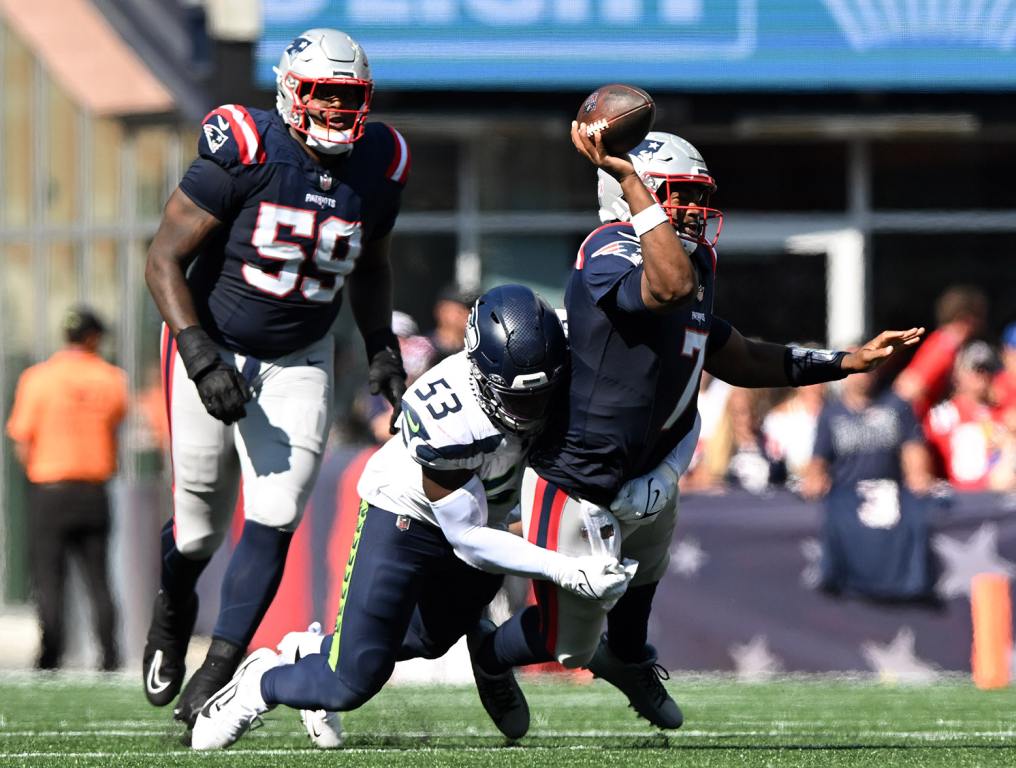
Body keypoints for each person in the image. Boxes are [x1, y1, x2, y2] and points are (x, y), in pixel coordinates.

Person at [467, 126, 925, 732]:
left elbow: (734, 354)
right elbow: (667, 288)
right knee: (568, 644)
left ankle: (631, 661)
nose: (690, 209)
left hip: (654, 466)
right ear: (631, 194)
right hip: (578, 479)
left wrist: (846, 361)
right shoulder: (608, 249)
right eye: (675, 195)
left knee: (645, 580)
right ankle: (490, 654)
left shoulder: (694, 260)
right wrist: (633, 182)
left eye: (694, 195)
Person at [188, 285, 634, 750]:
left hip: (489, 514)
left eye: (543, 393)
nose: (533, 411)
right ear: (480, 373)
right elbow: (469, 540)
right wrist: (566, 569)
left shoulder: (565, 344)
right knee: (351, 682)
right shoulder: (448, 417)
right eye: (518, 398)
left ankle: (311, 650)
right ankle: (259, 683)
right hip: (409, 515)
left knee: (430, 638)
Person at [141, 27, 410, 731]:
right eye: (324, 95)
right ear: (293, 91)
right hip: (214, 342)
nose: (337, 111)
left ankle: (220, 671)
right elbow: (163, 257)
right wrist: (200, 354)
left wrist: (381, 345)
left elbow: (373, 264)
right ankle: (174, 609)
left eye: (350, 97)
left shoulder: (381, 162)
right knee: (198, 528)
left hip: (301, 355)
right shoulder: (247, 147)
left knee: (276, 513)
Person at [6, 306, 127, 670]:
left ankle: (51, 654)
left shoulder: (37, 378)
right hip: (93, 489)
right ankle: (109, 655)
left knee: (48, 577)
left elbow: (22, 439)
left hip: (50, 489)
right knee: (98, 578)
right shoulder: (112, 378)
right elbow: (115, 426)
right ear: (94, 338)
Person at [924, 341, 1016, 492]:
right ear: (959, 374)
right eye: (975, 369)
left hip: (996, 502)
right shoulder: (943, 415)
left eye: (987, 369)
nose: (981, 376)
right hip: (957, 501)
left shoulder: (1004, 415)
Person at [894, 285, 987, 420]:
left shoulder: (950, 345)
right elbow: (909, 387)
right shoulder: (944, 346)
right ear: (966, 318)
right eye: (979, 317)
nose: (982, 324)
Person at [426, 283, 476, 364]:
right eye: (459, 310)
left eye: (471, 310)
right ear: (441, 311)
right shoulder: (421, 349)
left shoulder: (475, 352)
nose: (467, 314)